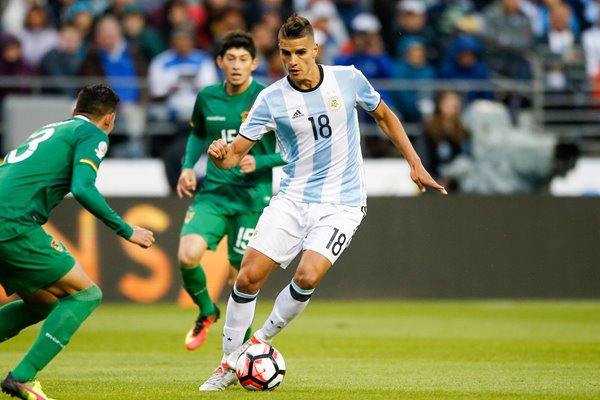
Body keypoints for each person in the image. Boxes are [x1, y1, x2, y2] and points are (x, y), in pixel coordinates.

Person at [198, 14, 447, 391]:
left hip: (342, 204)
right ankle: (227, 363)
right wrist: (219, 155)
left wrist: (415, 164)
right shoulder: (270, 99)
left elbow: (384, 115)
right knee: (248, 277)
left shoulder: (347, 78)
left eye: (300, 52)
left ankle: (257, 343)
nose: (293, 61)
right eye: (286, 54)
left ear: (316, 49)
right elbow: (233, 157)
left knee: (307, 275)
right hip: (293, 198)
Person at [0, 84, 155, 400]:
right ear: (109, 120)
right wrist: (126, 230)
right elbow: (83, 188)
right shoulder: (94, 135)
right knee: (85, 294)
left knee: (42, 301)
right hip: (12, 223)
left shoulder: (53, 128)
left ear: (75, 111)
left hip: (7, 217)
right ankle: (23, 377)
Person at [175, 30, 285, 352]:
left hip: (252, 200)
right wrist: (186, 166)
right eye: (231, 59)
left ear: (254, 63)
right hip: (214, 195)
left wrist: (261, 160)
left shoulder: (267, 98)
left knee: (241, 279)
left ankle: (239, 355)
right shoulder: (207, 97)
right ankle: (207, 311)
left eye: (244, 59)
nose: (237, 65)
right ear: (220, 62)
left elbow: (293, 149)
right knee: (187, 255)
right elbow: (198, 135)